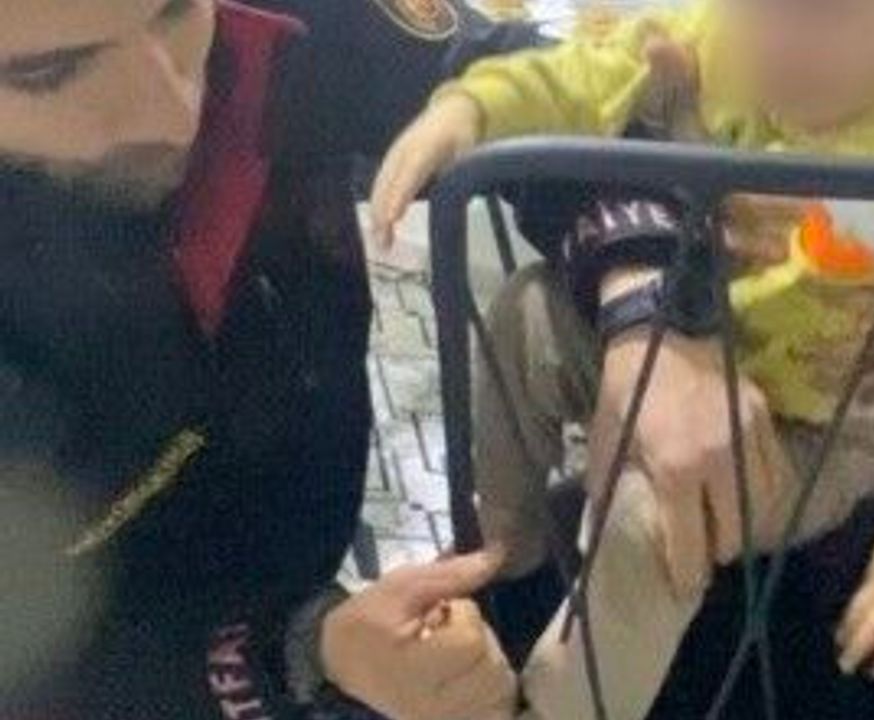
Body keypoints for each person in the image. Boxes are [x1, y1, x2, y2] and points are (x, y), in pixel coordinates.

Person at [370, 0, 874, 716]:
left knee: (651, 521)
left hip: (813, 436)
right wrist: (473, 108)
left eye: (834, 14)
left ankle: (566, 708)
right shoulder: (720, 44)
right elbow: (587, 72)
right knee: (525, 310)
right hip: (685, 339)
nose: (782, 40)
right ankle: (505, 549)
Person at [0, 1, 542, 718]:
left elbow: (521, 75)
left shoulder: (268, 17)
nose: (173, 113)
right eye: (47, 72)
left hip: (304, 528)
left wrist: (632, 271)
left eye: (176, 11)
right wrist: (297, 654)